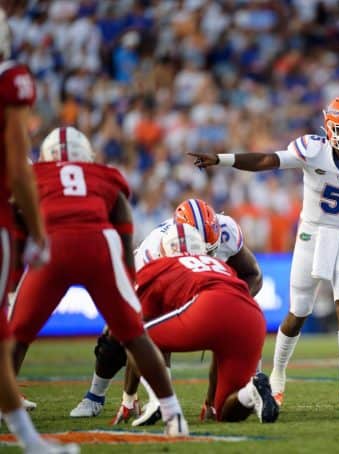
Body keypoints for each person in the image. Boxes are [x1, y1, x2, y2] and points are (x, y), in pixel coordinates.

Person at [191, 95, 339, 407]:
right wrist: (223, 159)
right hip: (311, 233)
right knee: (299, 312)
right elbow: (266, 161)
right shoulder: (312, 150)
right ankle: (279, 373)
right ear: (329, 129)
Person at [9, 126, 189, 435]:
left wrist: (13, 278)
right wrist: (129, 279)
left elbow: (16, 224)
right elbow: (123, 224)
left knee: (15, 335)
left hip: (53, 243)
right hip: (99, 244)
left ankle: (8, 409)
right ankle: (174, 414)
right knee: (134, 334)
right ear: (86, 154)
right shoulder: (104, 175)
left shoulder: (34, 174)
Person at [70, 197, 261, 423]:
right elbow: (146, 320)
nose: (206, 257)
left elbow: (253, 274)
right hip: (193, 297)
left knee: (213, 336)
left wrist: (235, 304)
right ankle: (95, 395)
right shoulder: (154, 252)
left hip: (212, 297)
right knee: (115, 339)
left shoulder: (226, 230)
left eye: (212, 249)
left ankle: (197, 405)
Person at [0, 10, 78, 453]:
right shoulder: (10, 80)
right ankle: (31, 443)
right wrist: (38, 232)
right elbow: (17, 167)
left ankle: (29, 441)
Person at [117, 223, 277, 423]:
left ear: (167, 247)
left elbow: (138, 322)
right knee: (224, 411)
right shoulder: (220, 264)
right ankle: (250, 391)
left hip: (210, 307)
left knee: (135, 336)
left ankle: (158, 400)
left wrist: (129, 397)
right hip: (252, 316)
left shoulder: (161, 264)